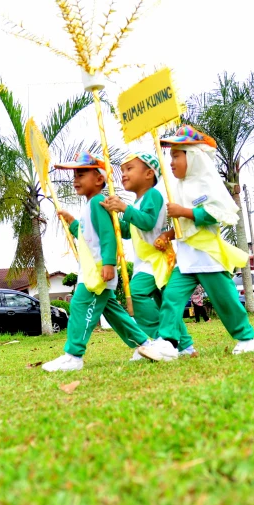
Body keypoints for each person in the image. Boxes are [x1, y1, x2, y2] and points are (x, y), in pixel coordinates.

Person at [137, 126, 254, 361]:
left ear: (192, 157)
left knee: (225, 301)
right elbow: (187, 227)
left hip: (207, 256)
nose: (171, 162)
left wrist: (183, 211)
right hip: (186, 259)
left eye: (176, 156)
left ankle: (247, 339)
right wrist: (168, 235)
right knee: (171, 299)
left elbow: (214, 215)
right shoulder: (179, 187)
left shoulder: (208, 183)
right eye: (170, 156)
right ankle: (167, 343)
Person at [43, 152, 151, 372]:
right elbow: (86, 235)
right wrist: (72, 222)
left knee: (80, 305)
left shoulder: (98, 202)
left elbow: (108, 235)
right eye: (75, 174)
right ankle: (145, 345)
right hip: (93, 270)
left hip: (98, 270)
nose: (75, 179)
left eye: (81, 174)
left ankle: (74, 355)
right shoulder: (90, 205)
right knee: (114, 313)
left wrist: (109, 264)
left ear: (99, 179)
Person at [100, 151, 197, 358]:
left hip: (155, 260)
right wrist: (113, 216)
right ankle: (186, 347)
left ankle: (156, 340)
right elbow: (129, 231)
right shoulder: (136, 202)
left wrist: (123, 208)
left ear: (148, 174)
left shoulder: (152, 196)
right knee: (163, 302)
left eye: (129, 169)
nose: (123, 174)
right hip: (144, 261)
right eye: (122, 170)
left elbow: (147, 222)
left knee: (136, 293)